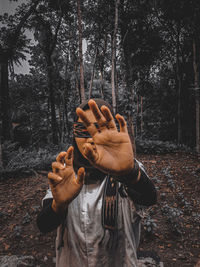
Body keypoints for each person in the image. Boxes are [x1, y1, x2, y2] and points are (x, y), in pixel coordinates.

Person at [37, 98, 157, 267]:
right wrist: (59, 205)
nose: (91, 139)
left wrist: (129, 173)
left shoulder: (127, 169)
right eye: (83, 130)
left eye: (98, 129)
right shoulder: (65, 173)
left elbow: (148, 196)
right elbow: (43, 224)